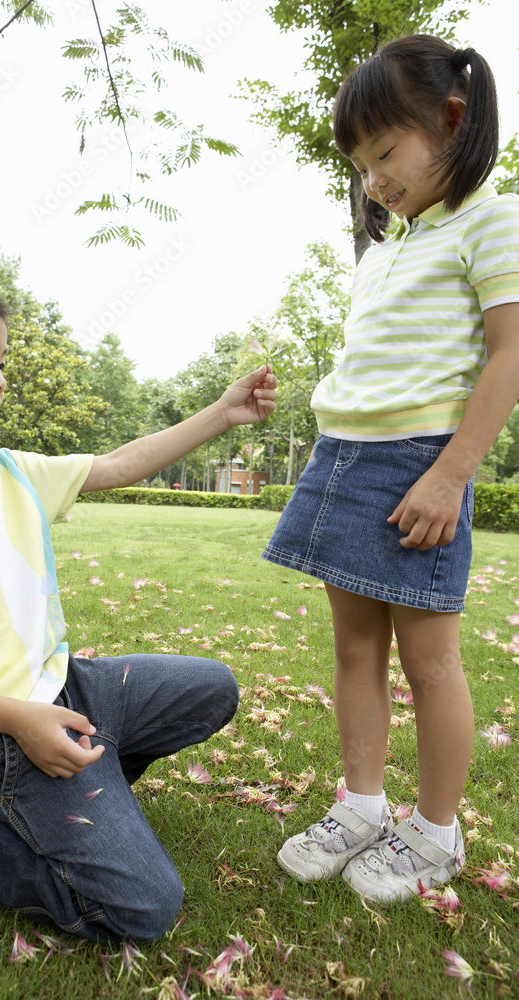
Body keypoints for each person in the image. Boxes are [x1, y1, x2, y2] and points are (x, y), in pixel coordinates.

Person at [0, 261, 278, 942]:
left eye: (2, 360)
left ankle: (79, 783)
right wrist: (19, 720)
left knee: (211, 689)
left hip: (69, 691)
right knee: (144, 908)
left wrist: (220, 414)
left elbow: (116, 465)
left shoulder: (1, 467)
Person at [263, 34, 519, 903]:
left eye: (385, 153)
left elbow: (509, 353)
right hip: (345, 457)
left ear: (451, 121)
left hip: (420, 465)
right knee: (353, 648)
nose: (374, 178)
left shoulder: (494, 217)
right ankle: (363, 807)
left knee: (430, 661)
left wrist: (450, 474)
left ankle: (436, 834)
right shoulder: (384, 246)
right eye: (361, 164)